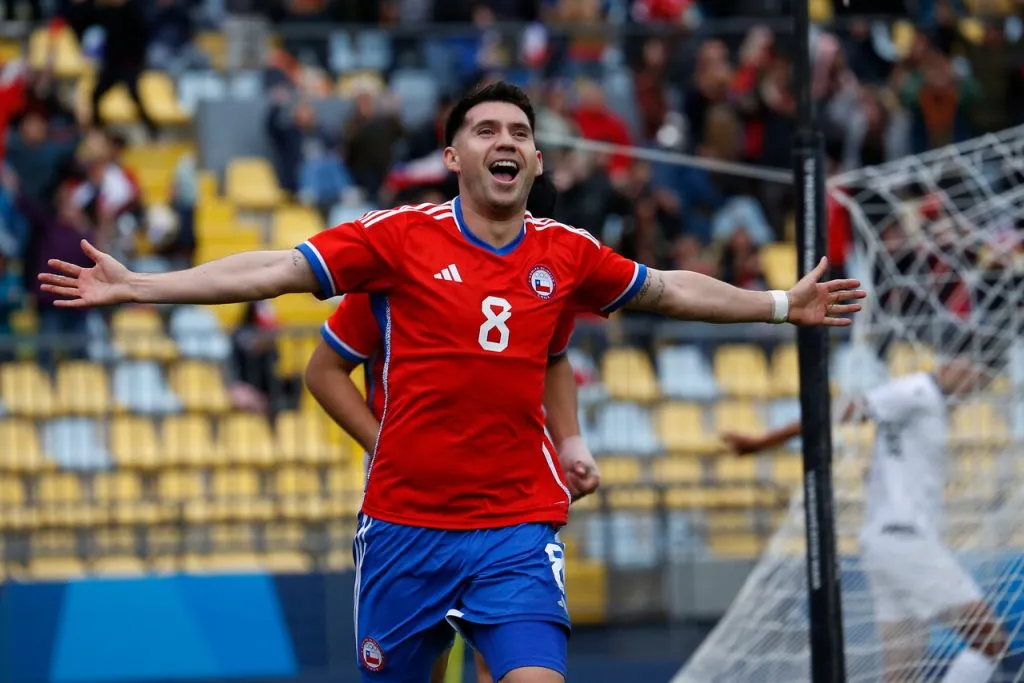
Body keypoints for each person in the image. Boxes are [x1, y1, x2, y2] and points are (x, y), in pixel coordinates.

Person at [40, 81, 865, 683]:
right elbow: (277, 271)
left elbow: (665, 291)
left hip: (515, 523)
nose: (505, 140)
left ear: (536, 160)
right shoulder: (398, 242)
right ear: (453, 156)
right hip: (406, 526)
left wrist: (777, 304)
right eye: (485, 129)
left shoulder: (567, 254)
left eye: (520, 132)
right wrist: (143, 284)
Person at [306, 294, 596, 683]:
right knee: (426, 665)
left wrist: (570, 440)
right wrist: (390, 450)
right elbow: (324, 369)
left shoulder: (534, 270)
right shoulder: (391, 271)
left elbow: (554, 355)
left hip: (512, 505)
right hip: (410, 512)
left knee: (510, 659)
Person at [721, 355, 1008, 683]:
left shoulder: (932, 405)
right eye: (976, 374)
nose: (975, 386)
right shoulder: (917, 391)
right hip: (907, 542)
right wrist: (766, 441)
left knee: (900, 677)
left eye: (983, 382)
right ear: (955, 363)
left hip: (886, 545)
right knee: (991, 641)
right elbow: (845, 409)